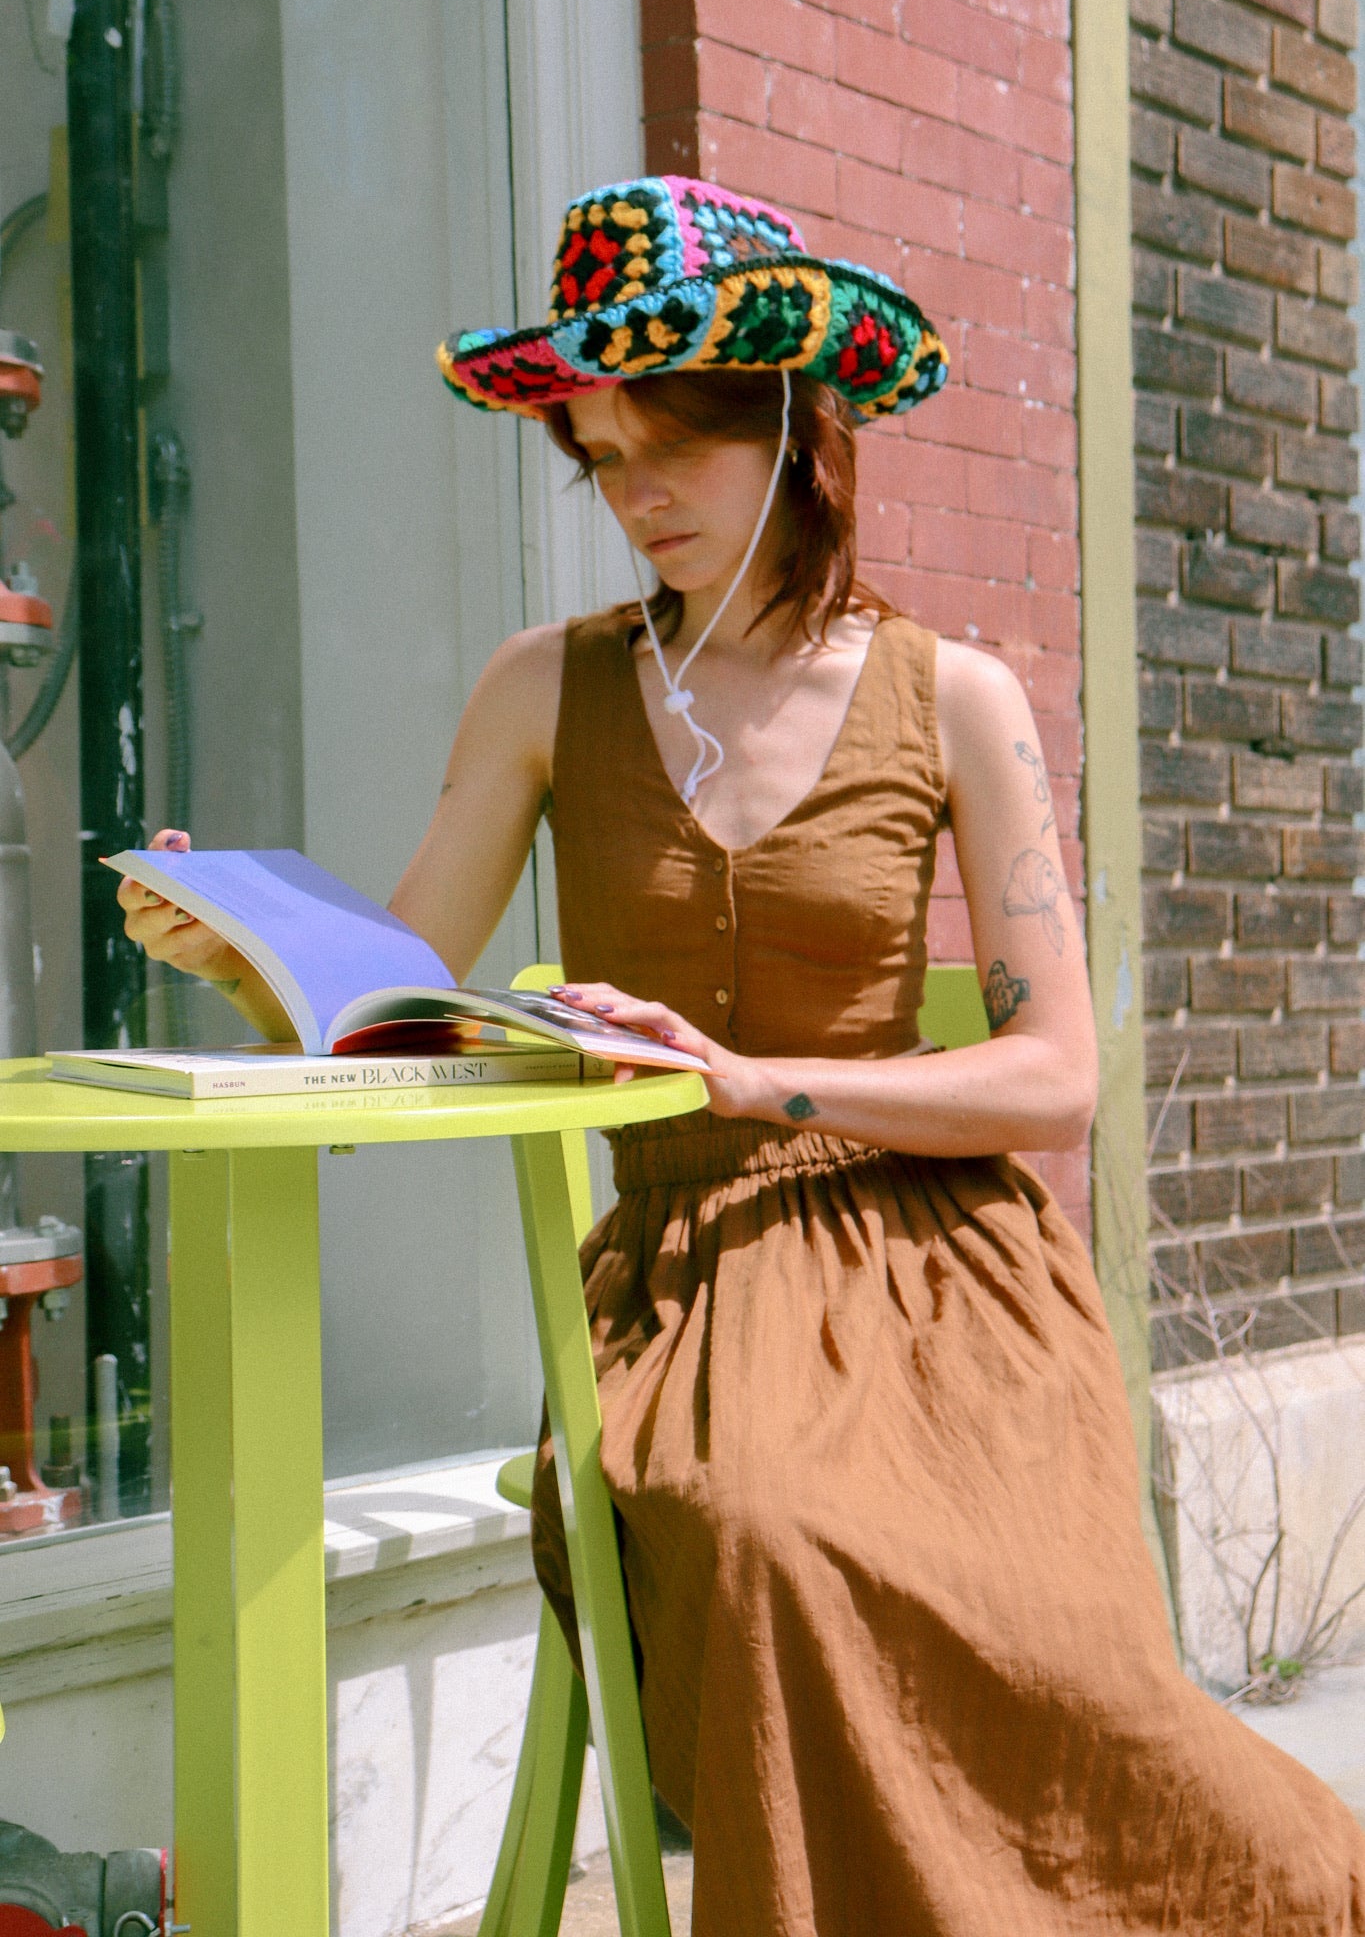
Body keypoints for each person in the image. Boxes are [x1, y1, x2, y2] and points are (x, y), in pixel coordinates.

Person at [122, 178, 1365, 1935]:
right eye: (599, 459)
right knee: (761, 1522)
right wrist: (243, 957)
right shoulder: (543, 688)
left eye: (671, 447)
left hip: (947, 1278)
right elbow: (394, 994)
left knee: (1026, 1621)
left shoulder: (954, 695)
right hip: (687, 1278)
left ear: (788, 421)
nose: (634, 497)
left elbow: (1053, 1080)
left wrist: (757, 1080)